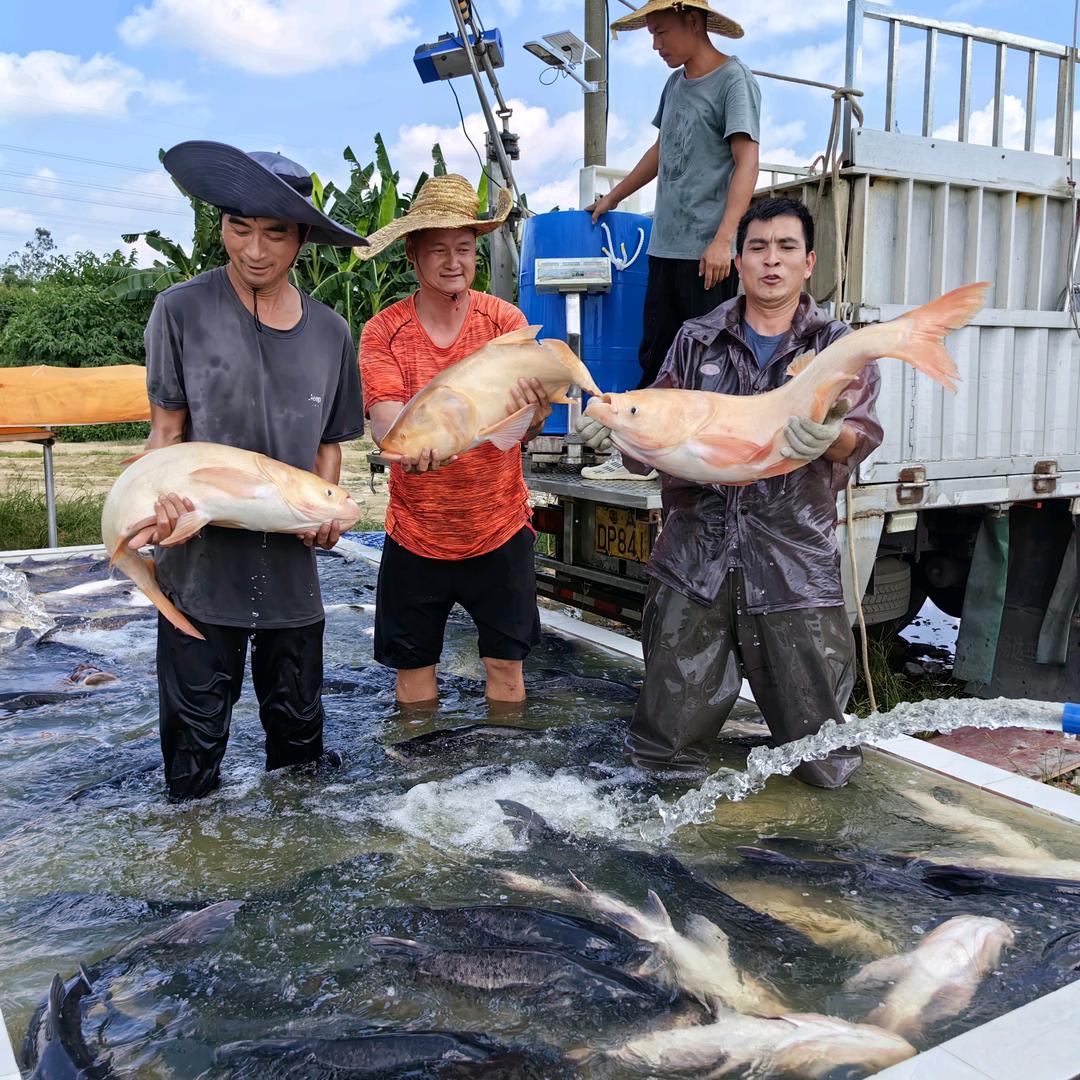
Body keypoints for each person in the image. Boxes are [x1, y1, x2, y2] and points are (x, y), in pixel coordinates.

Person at [580, 197, 883, 787]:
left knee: (822, 760)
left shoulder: (836, 347)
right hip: (693, 567)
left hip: (795, 569)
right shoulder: (695, 339)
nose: (772, 261)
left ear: (808, 262)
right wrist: (616, 435)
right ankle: (668, 865)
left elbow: (861, 435)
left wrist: (828, 436)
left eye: (786, 248)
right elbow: (651, 439)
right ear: (738, 261)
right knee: (663, 755)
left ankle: (816, 870)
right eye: (758, 248)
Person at [133, 141, 367, 801]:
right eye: (240, 228)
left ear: (302, 240)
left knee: (299, 764)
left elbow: (329, 450)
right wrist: (157, 505)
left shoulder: (331, 333)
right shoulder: (178, 311)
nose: (255, 250)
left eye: (275, 233)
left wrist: (328, 517)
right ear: (220, 226)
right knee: (191, 767)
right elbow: (166, 435)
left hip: (293, 588)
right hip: (198, 578)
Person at [357, 175, 550, 706]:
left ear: (476, 254)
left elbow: (523, 426)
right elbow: (386, 420)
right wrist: (406, 442)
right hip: (415, 534)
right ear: (413, 255)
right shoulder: (383, 331)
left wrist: (535, 414)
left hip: (500, 527)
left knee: (506, 671)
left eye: (464, 248)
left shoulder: (503, 324)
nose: (452, 261)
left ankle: (499, 772)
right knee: (412, 676)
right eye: (437, 249)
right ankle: (420, 783)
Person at [582, 0, 760, 481]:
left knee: (708, 361)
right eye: (651, 36)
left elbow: (747, 161)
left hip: (709, 254)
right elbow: (661, 151)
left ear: (692, 22)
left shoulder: (733, 80)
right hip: (665, 245)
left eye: (661, 33)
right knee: (657, 352)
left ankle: (706, 460)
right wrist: (614, 196)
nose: (656, 45)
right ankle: (640, 459)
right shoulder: (674, 84)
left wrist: (726, 240)